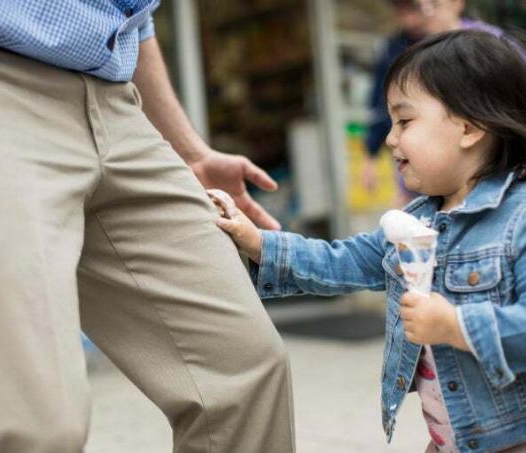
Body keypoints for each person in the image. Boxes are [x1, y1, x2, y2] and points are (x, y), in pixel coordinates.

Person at [0, 1, 296, 452]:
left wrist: (190, 150)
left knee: (245, 372)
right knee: (27, 421)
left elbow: (130, 15)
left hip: (118, 103)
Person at [213, 30, 526, 452]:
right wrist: (258, 243)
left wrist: (455, 327)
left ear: (470, 128)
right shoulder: (414, 222)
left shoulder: (519, 218)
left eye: (405, 121)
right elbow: (340, 262)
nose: (391, 138)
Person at [362, 0, 504, 205]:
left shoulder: (490, 44)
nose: (412, 18)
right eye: (402, 9)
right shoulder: (398, 48)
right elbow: (379, 106)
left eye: (429, 5)